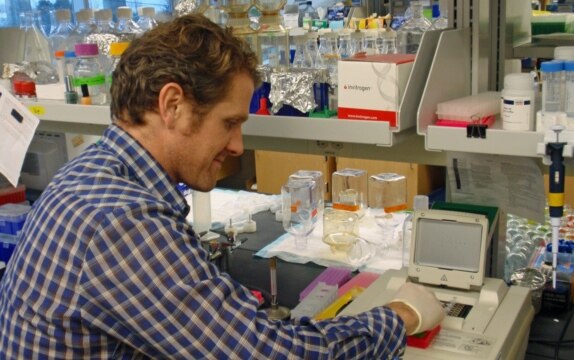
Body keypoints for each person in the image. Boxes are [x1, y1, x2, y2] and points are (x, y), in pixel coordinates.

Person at [0, 14, 444, 359]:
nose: (237, 145)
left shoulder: (91, 174)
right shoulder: (121, 220)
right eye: (229, 123)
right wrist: (400, 315)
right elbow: (270, 355)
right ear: (172, 105)